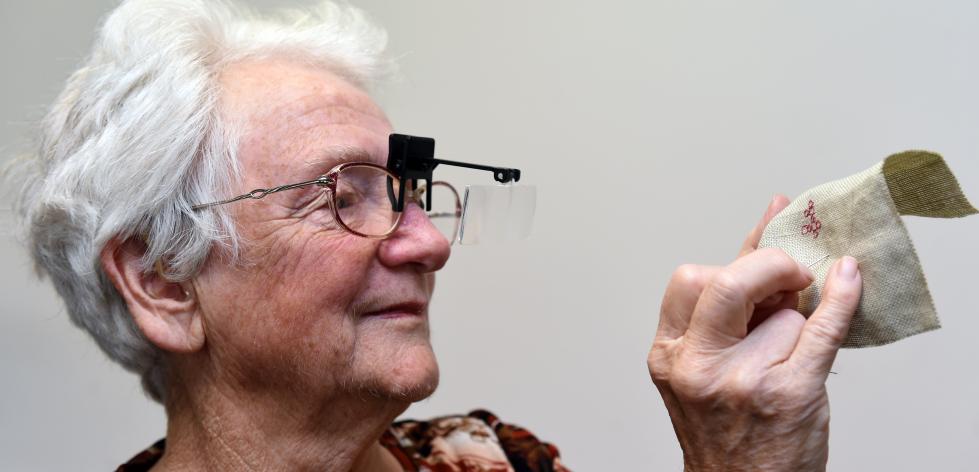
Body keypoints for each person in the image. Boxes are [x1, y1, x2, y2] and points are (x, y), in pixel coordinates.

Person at [8, 0, 862, 470]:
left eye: (409, 193)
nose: (430, 244)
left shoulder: (497, 465)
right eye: (342, 195)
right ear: (162, 280)